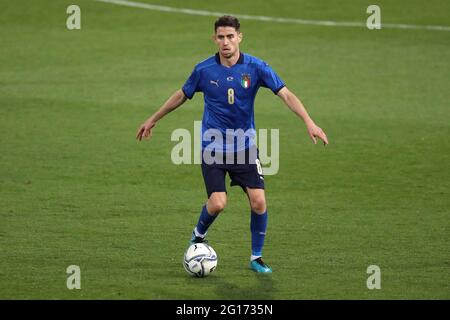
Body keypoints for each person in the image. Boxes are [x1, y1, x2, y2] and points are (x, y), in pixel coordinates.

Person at [136, 15, 328, 273]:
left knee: (259, 201)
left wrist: (309, 121)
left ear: (239, 37)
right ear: (214, 39)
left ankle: (256, 258)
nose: (225, 42)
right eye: (220, 37)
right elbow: (182, 95)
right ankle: (197, 237)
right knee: (218, 203)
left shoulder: (256, 67)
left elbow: (286, 93)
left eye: (230, 36)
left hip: (244, 147)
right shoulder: (204, 70)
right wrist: (153, 119)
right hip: (213, 147)